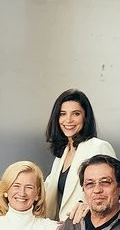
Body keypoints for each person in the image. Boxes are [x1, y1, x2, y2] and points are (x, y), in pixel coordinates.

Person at [45, 89, 115, 221]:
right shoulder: (62, 154)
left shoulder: (98, 147)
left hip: (90, 226)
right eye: (63, 114)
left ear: (85, 117)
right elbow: (47, 191)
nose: (68, 120)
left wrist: (87, 205)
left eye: (76, 114)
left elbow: (112, 192)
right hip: (66, 227)